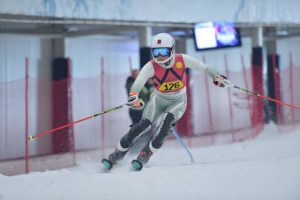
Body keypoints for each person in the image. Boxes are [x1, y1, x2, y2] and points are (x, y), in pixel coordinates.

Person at [102, 33, 231, 170]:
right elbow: (139, 81)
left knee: (166, 125)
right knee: (142, 126)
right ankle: (117, 154)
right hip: (158, 100)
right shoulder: (151, 65)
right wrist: (133, 95)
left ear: (172, 50)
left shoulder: (182, 59)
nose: (160, 56)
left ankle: (145, 154)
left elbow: (204, 68)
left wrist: (216, 76)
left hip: (178, 102)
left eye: (163, 52)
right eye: (156, 52)